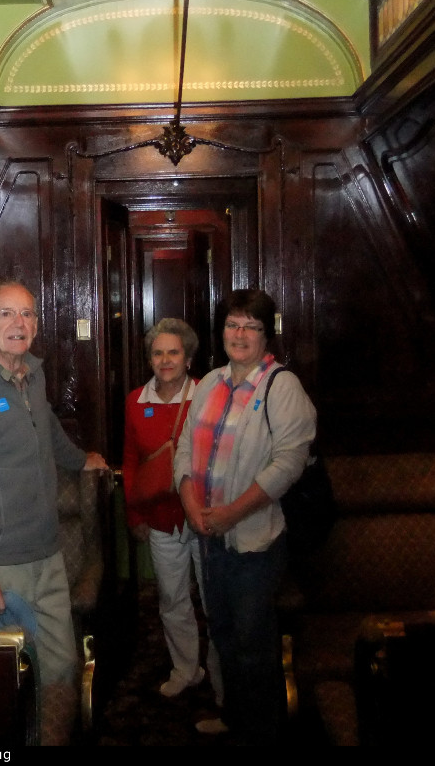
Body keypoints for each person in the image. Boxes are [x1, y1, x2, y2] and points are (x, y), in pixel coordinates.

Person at [0, 280, 109, 746]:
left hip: (47, 556)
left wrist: (79, 460)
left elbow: (44, 425)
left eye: (27, 314)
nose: (19, 323)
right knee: (5, 690)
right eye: (6, 314)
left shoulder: (33, 376)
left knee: (61, 669)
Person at [174, 289, 316, 744]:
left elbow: (287, 465)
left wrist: (231, 514)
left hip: (255, 543)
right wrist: (191, 504)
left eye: (251, 326)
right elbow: (184, 447)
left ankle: (263, 732)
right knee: (222, 633)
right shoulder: (210, 383)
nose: (239, 334)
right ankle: (235, 718)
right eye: (232, 324)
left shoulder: (281, 387)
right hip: (209, 537)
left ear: (266, 334)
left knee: (254, 644)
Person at [121, 318, 222, 703]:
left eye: (173, 352)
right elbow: (131, 462)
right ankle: (185, 670)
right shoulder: (136, 401)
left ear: (188, 358)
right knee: (172, 599)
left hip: (205, 517)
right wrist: (135, 515)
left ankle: (222, 676)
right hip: (161, 520)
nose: (165, 360)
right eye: (158, 353)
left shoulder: (208, 397)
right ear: (150, 359)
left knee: (215, 601)